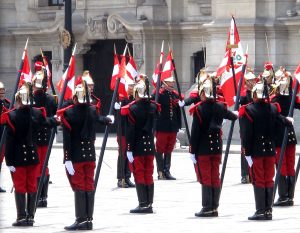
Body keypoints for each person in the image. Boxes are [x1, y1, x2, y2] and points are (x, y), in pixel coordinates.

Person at [58, 80, 114, 231]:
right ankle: (89, 220)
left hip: (76, 156)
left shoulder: (68, 113)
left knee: (79, 186)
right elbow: (100, 119)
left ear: (75, 97)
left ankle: (81, 219)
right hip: (90, 155)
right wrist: (108, 119)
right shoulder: (91, 110)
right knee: (89, 185)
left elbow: (67, 140)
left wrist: (67, 157)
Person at [1, 82, 55, 227]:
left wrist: (9, 162)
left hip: (18, 158)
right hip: (33, 156)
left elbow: (10, 142)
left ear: (18, 99)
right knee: (32, 186)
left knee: (20, 186)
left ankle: (21, 217)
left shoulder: (11, 116)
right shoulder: (37, 113)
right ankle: (30, 217)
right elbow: (48, 122)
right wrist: (56, 121)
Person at [239, 78, 294, 220]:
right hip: (270, 150)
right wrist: (287, 121)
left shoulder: (248, 110)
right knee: (269, 179)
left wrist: (247, 153)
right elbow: (280, 122)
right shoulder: (273, 108)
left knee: (258, 180)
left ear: (255, 95)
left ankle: (261, 211)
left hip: (256, 152)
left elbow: (247, 135)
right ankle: (268, 210)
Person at [189, 73, 238, 217]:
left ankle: (207, 207)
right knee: (215, 176)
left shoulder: (199, 109)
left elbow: (195, 133)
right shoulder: (220, 107)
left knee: (206, 177)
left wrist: (192, 151)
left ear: (203, 93)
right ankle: (214, 207)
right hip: (216, 148)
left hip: (203, 149)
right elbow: (233, 117)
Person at [121, 76, 160, 213]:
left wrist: (129, 149)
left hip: (137, 147)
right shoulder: (153, 107)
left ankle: (143, 203)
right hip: (149, 146)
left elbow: (130, 131)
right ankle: (149, 203)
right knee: (148, 173)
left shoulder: (133, 109)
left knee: (139, 174)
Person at [271, 67, 300, 206]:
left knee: (282, 165)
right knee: (290, 166)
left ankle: (283, 196)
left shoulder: (275, 99)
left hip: (278, 137)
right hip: (290, 135)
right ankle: (290, 196)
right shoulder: (292, 97)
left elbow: (274, 115)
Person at [32, 63, 58, 208]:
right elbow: (54, 115)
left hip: (34, 136)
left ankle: (37, 196)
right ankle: (43, 197)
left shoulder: (31, 98)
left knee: (37, 165)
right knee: (44, 166)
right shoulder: (50, 99)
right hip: (47, 135)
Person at [154, 76, 182, 180]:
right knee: (160, 149)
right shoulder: (159, 94)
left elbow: (178, 112)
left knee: (169, 148)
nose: (171, 84)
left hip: (172, 126)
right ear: (164, 83)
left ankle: (167, 170)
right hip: (162, 126)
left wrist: (178, 125)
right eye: (169, 82)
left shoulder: (175, 94)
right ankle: (160, 171)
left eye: (172, 82)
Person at [114, 77, 136, 188]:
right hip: (122, 130)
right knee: (123, 154)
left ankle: (127, 177)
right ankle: (120, 178)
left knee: (129, 153)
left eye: (133, 85)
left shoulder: (134, 98)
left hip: (131, 130)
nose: (133, 87)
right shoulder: (121, 99)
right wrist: (118, 107)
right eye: (131, 85)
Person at [238, 69, 255, 184]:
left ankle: (253, 173)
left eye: (253, 80)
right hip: (245, 126)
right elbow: (242, 102)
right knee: (245, 150)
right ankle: (244, 174)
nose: (252, 82)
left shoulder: (256, 92)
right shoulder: (243, 94)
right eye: (250, 80)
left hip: (255, 125)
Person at [0, 81, 10, 193]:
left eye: (3, 91)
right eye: (0, 92)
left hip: (4, 136)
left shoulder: (7, 104)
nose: (2, 93)